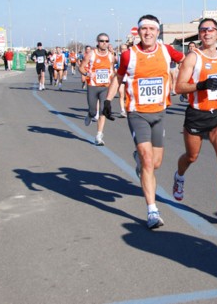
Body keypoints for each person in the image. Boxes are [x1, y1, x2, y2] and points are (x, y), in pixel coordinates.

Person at [102, 14, 184, 229]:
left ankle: (139, 159)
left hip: (160, 113)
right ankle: (152, 211)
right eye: (144, 29)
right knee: (148, 162)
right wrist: (108, 101)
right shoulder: (129, 55)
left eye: (152, 29)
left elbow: (189, 61)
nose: (148, 32)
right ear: (138, 32)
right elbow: (119, 77)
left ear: (158, 32)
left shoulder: (167, 51)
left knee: (155, 163)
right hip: (137, 113)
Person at [174, 18, 217, 220]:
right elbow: (179, 87)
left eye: (211, 30)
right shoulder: (193, 57)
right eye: (203, 30)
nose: (207, 33)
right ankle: (179, 176)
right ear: (200, 34)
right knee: (191, 157)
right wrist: (200, 85)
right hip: (197, 115)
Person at [79, 33, 115, 146]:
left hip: (105, 87)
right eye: (102, 41)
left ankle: (99, 135)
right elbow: (80, 67)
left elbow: (112, 70)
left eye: (106, 41)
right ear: (97, 42)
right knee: (93, 111)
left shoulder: (111, 56)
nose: (104, 43)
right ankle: (90, 115)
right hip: (93, 86)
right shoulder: (91, 54)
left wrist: (114, 78)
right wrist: (87, 74)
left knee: (103, 110)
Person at [117, 43, 129, 118]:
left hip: (128, 78)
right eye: (121, 49)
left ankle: (127, 108)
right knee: (121, 94)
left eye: (124, 48)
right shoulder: (117, 57)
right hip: (121, 78)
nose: (123, 50)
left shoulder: (130, 56)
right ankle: (122, 110)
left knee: (127, 96)